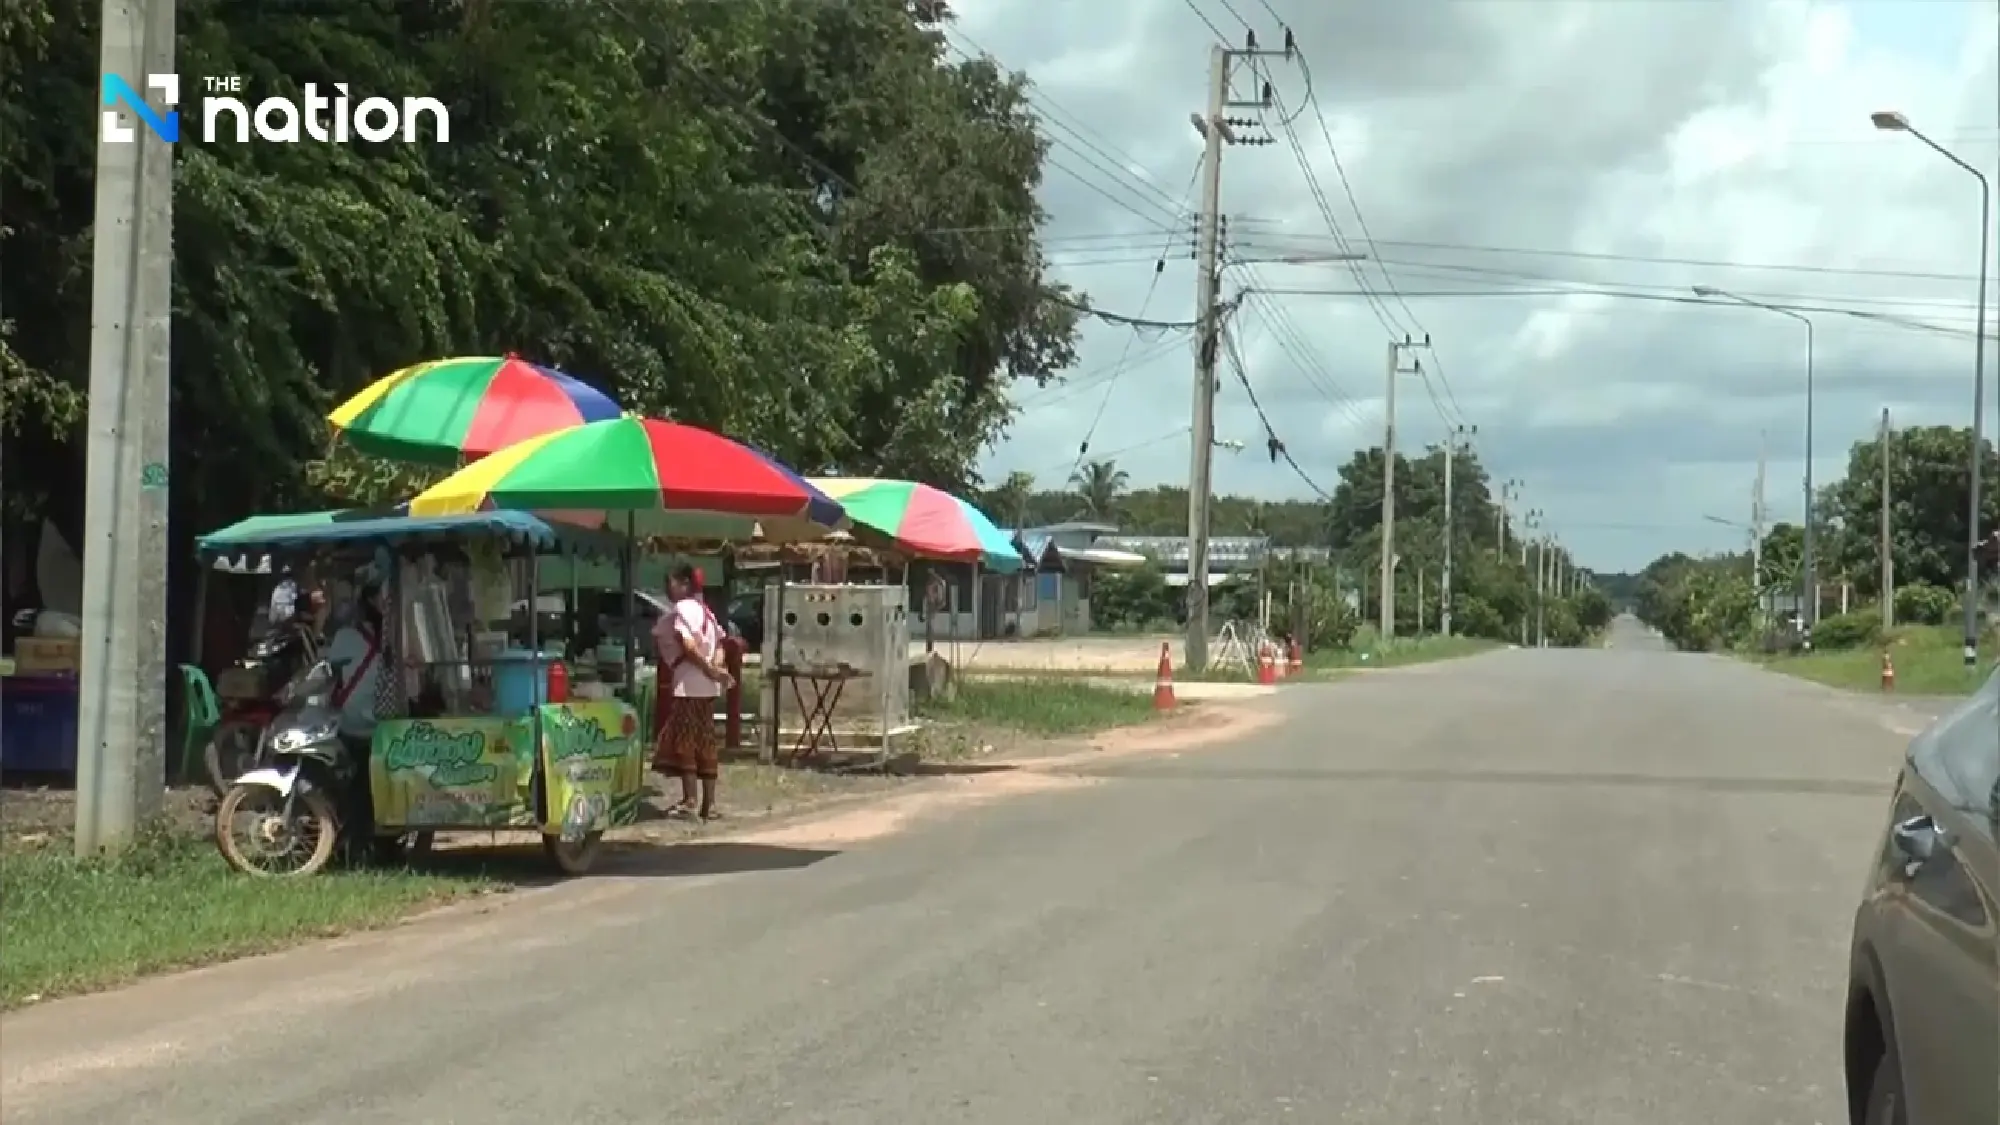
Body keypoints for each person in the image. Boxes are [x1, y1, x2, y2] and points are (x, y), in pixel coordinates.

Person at [652, 563, 732, 820]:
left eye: (672, 582)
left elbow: (687, 644)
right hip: (707, 688)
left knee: (686, 743)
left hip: (689, 685)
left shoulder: (684, 609)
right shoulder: (705, 611)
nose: (668, 588)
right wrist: (716, 669)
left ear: (684, 584)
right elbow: (720, 644)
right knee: (706, 742)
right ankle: (710, 804)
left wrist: (709, 668)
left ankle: (690, 801)